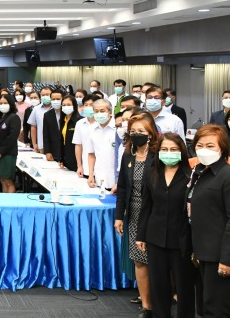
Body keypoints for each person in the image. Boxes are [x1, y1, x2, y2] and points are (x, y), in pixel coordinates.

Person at [188, 124, 230, 317]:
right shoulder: (200, 172)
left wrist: (227, 260)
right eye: (200, 144)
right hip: (203, 252)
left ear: (222, 147)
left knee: (218, 309)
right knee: (205, 307)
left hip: (221, 256)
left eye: (210, 145)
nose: (204, 149)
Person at [136, 133, 195, 318]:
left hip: (182, 239)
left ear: (182, 151)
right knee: (159, 285)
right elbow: (146, 206)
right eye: (164, 149)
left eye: (173, 149)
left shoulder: (190, 175)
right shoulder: (151, 173)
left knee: (184, 287)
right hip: (155, 237)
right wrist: (141, 235)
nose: (168, 153)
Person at [114, 112, 159, 317]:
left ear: (151, 133)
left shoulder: (159, 155)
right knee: (139, 260)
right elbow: (122, 188)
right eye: (133, 131)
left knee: (157, 259)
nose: (136, 134)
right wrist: (118, 216)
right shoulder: (128, 155)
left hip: (156, 214)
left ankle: (164, 297)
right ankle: (147, 305)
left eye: (141, 131)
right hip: (133, 213)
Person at [0, 94, 20, 193]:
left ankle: (11, 204)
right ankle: (5, 201)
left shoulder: (14, 117)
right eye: (0, 103)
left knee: (8, 180)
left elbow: (12, 138)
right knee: (2, 180)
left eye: (5, 103)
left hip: (7, 154)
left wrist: (0, 152)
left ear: (10, 104)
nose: (3, 105)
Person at [85, 99, 118, 190]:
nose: (99, 114)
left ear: (110, 112)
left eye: (102, 111)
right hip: (100, 178)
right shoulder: (91, 129)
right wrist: (91, 175)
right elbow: (91, 154)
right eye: (96, 111)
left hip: (116, 179)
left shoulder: (118, 128)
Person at [73, 95, 96, 178]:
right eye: (86, 105)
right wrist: (79, 166)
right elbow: (78, 145)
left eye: (91, 105)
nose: (88, 107)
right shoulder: (80, 123)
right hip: (85, 167)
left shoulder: (102, 123)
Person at [58, 95, 82, 172]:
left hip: (77, 158)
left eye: (69, 105)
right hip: (66, 157)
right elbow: (62, 140)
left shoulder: (79, 121)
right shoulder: (62, 120)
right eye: (64, 105)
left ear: (74, 106)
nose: (66, 107)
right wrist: (61, 158)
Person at [41, 88, 65, 164]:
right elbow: (46, 135)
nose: (55, 101)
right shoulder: (47, 115)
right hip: (53, 151)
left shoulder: (67, 113)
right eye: (53, 99)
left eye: (58, 99)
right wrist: (47, 151)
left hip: (66, 151)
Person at [28, 86, 53, 154]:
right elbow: (33, 126)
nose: (45, 96)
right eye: (43, 95)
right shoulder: (36, 109)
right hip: (41, 144)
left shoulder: (57, 108)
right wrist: (34, 143)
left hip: (55, 145)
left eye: (47, 95)